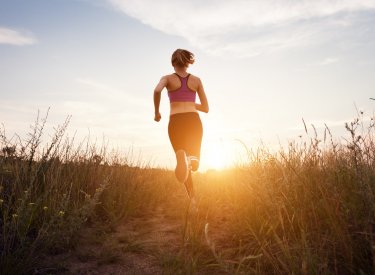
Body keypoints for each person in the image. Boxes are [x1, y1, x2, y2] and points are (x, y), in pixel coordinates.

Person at [153, 49, 209, 200]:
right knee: (194, 160)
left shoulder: (167, 78)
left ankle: (192, 199)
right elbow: (206, 108)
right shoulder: (196, 80)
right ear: (188, 62)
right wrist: (190, 103)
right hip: (193, 120)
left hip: (176, 121)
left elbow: (157, 90)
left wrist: (157, 112)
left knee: (182, 158)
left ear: (173, 62)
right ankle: (193, 158)